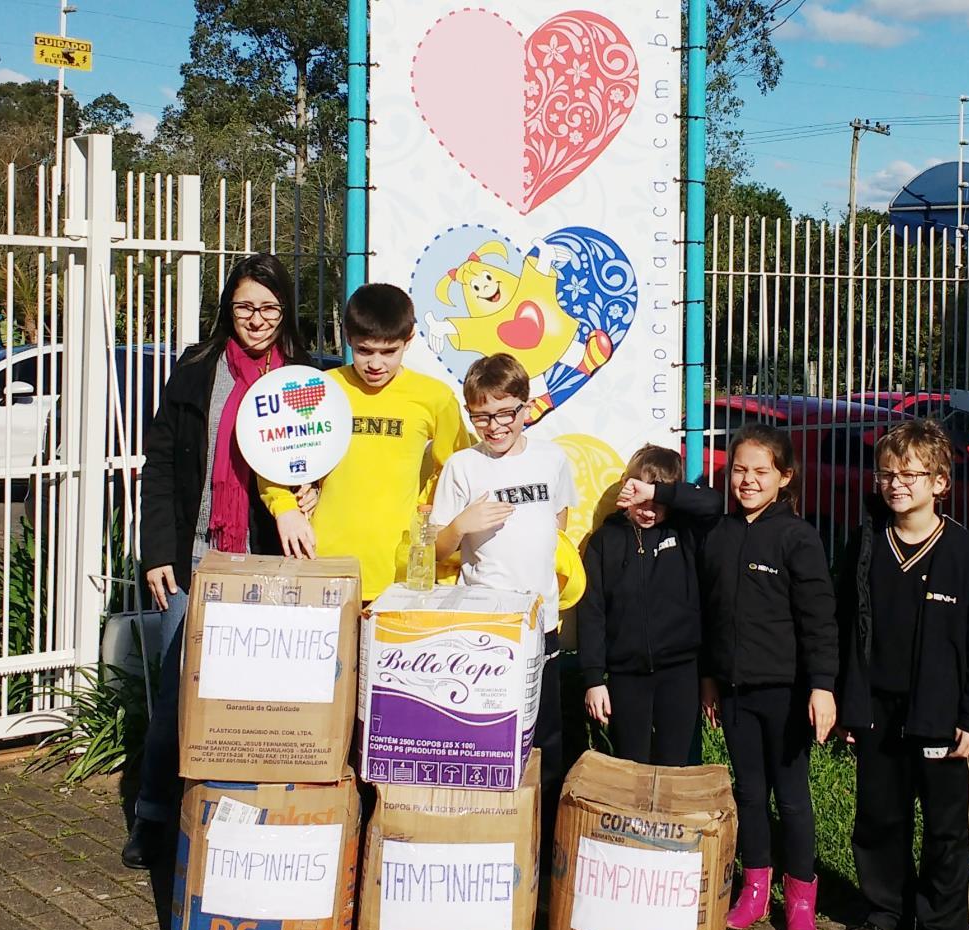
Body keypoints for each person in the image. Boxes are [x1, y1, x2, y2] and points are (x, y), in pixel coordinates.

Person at [128, 253, 318, 869]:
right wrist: (159, 552)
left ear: (285, 310)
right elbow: (159, 466)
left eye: (268, 307)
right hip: (198, 555)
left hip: (269, 560)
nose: (257, 319)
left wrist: (313, 489)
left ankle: (242, 819)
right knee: (182, 690)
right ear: (226, 310)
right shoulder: (195, 370)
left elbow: (321, 458)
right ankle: (154, 817)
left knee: (258, 698)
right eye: (244, 307)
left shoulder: (305, 377)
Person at [618, 423, 838, 930]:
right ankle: (756, 887)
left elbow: (820, 619)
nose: (748, 481)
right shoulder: (718, 529)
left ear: (785, 478)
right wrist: (710, 679)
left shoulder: (797, 537)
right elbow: (712, 614)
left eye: (762, 472)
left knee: (792, 798)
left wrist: (823, 686)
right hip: (732, 690)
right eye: (739, 470)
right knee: (748, 793)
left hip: (785, 693)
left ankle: (801, 897)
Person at [834, 419, 969, 930]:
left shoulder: (966, 556)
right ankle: (886, 914)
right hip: (876, 712)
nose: (895, 484)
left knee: (945, 833)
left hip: (942, 718)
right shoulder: (864, 543)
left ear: (940, 483)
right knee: (878, 820)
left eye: (909, 474)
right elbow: (844, 630)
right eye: (886, 473)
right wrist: (848, 703)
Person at [431, 352, 578, 869]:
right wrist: (463, 523)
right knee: (487, 739)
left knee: (546, 741)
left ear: (526, 409)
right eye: (482, 415)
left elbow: (557, 524)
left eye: (507, 413)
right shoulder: (462, 466)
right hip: (485, 629)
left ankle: (541, 852)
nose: (495, 426)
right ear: (471, 413)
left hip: (543, 626)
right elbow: (437, 550)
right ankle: (488, 845)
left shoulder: (552, 460)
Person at [265, 283, 471, 602]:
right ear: (348, 337)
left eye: (389, 352)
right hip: (323, 564)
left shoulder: (434, 398)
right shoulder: (320, 389)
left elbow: (458, 468)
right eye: (364, 350)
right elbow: (269, 451)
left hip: (399, 574)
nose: (376, 364)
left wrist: (428, 508)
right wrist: (286, 508)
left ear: (409, 340)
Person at [577, 445, 717, 766]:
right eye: (641, 499)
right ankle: (634, 819)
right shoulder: (605, 540)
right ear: (628, 487)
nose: (649, 510)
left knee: (673, 765)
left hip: (680, 672)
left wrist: (658, 492)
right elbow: (592, 612)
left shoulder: (683, 531)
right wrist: (594, 679)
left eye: (658, 502)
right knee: (630, 766)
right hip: (627, 675)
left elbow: (713, 504)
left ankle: (668, 817)